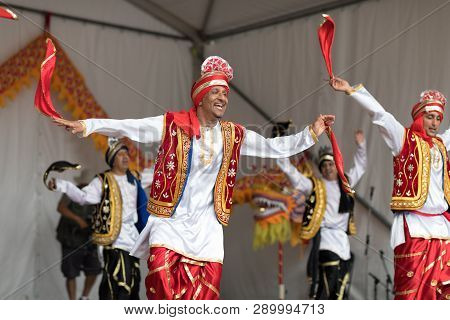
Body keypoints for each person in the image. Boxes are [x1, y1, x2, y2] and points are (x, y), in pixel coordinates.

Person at [52, 56, 335, 300]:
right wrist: (88, 125)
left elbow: (275, 148)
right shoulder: (173, 124)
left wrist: (312, 131)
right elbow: (131, 127)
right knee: (161, 284)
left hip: (207, 228)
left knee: (202, 298)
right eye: (216, 93)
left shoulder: (233, 134)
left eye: (226, 94)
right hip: (170, 221)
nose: (223, 98)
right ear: (200, 96)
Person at [330, 77, 450, 300]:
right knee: (411, 291)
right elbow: (381, 116)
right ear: (419, 117)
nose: (434, 123)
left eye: (438, 119)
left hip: (442, 227)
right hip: (413, 225)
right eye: (430, 117)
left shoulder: (442, 144)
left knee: (441, 291)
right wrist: (351, 91)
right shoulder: (403, 139)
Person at [48, 140, 154, 299]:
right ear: (112, 159)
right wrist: (62, 185)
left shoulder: (135, 178)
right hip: (114, 241)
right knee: (120, 281)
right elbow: (83, 197)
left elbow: (157, 173)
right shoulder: (102, 181)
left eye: (126, 153)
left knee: (132, 281)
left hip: (132, 239)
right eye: (120, 154)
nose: (125, 157)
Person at [278, 130, 366, 299]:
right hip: (325, 240)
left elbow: (360, 166)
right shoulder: (315, 185)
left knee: (338, 293)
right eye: (324, 166)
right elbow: (293, 175)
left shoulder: (345, 182)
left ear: (336, 165)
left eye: (331, 164)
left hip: (343, 243)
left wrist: (361, 145)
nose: (328, 168)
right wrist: (280, 150)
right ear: (320, 169)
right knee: (327, 286)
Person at [55, 170, 101, 300]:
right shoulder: (71, 191)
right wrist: (78, 220)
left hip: (88, 237)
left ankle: (84, 297)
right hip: (70, 236)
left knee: (94, 267)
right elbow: (61, 208)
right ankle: (72, 301)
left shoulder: (97, 195)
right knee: (71, 272)